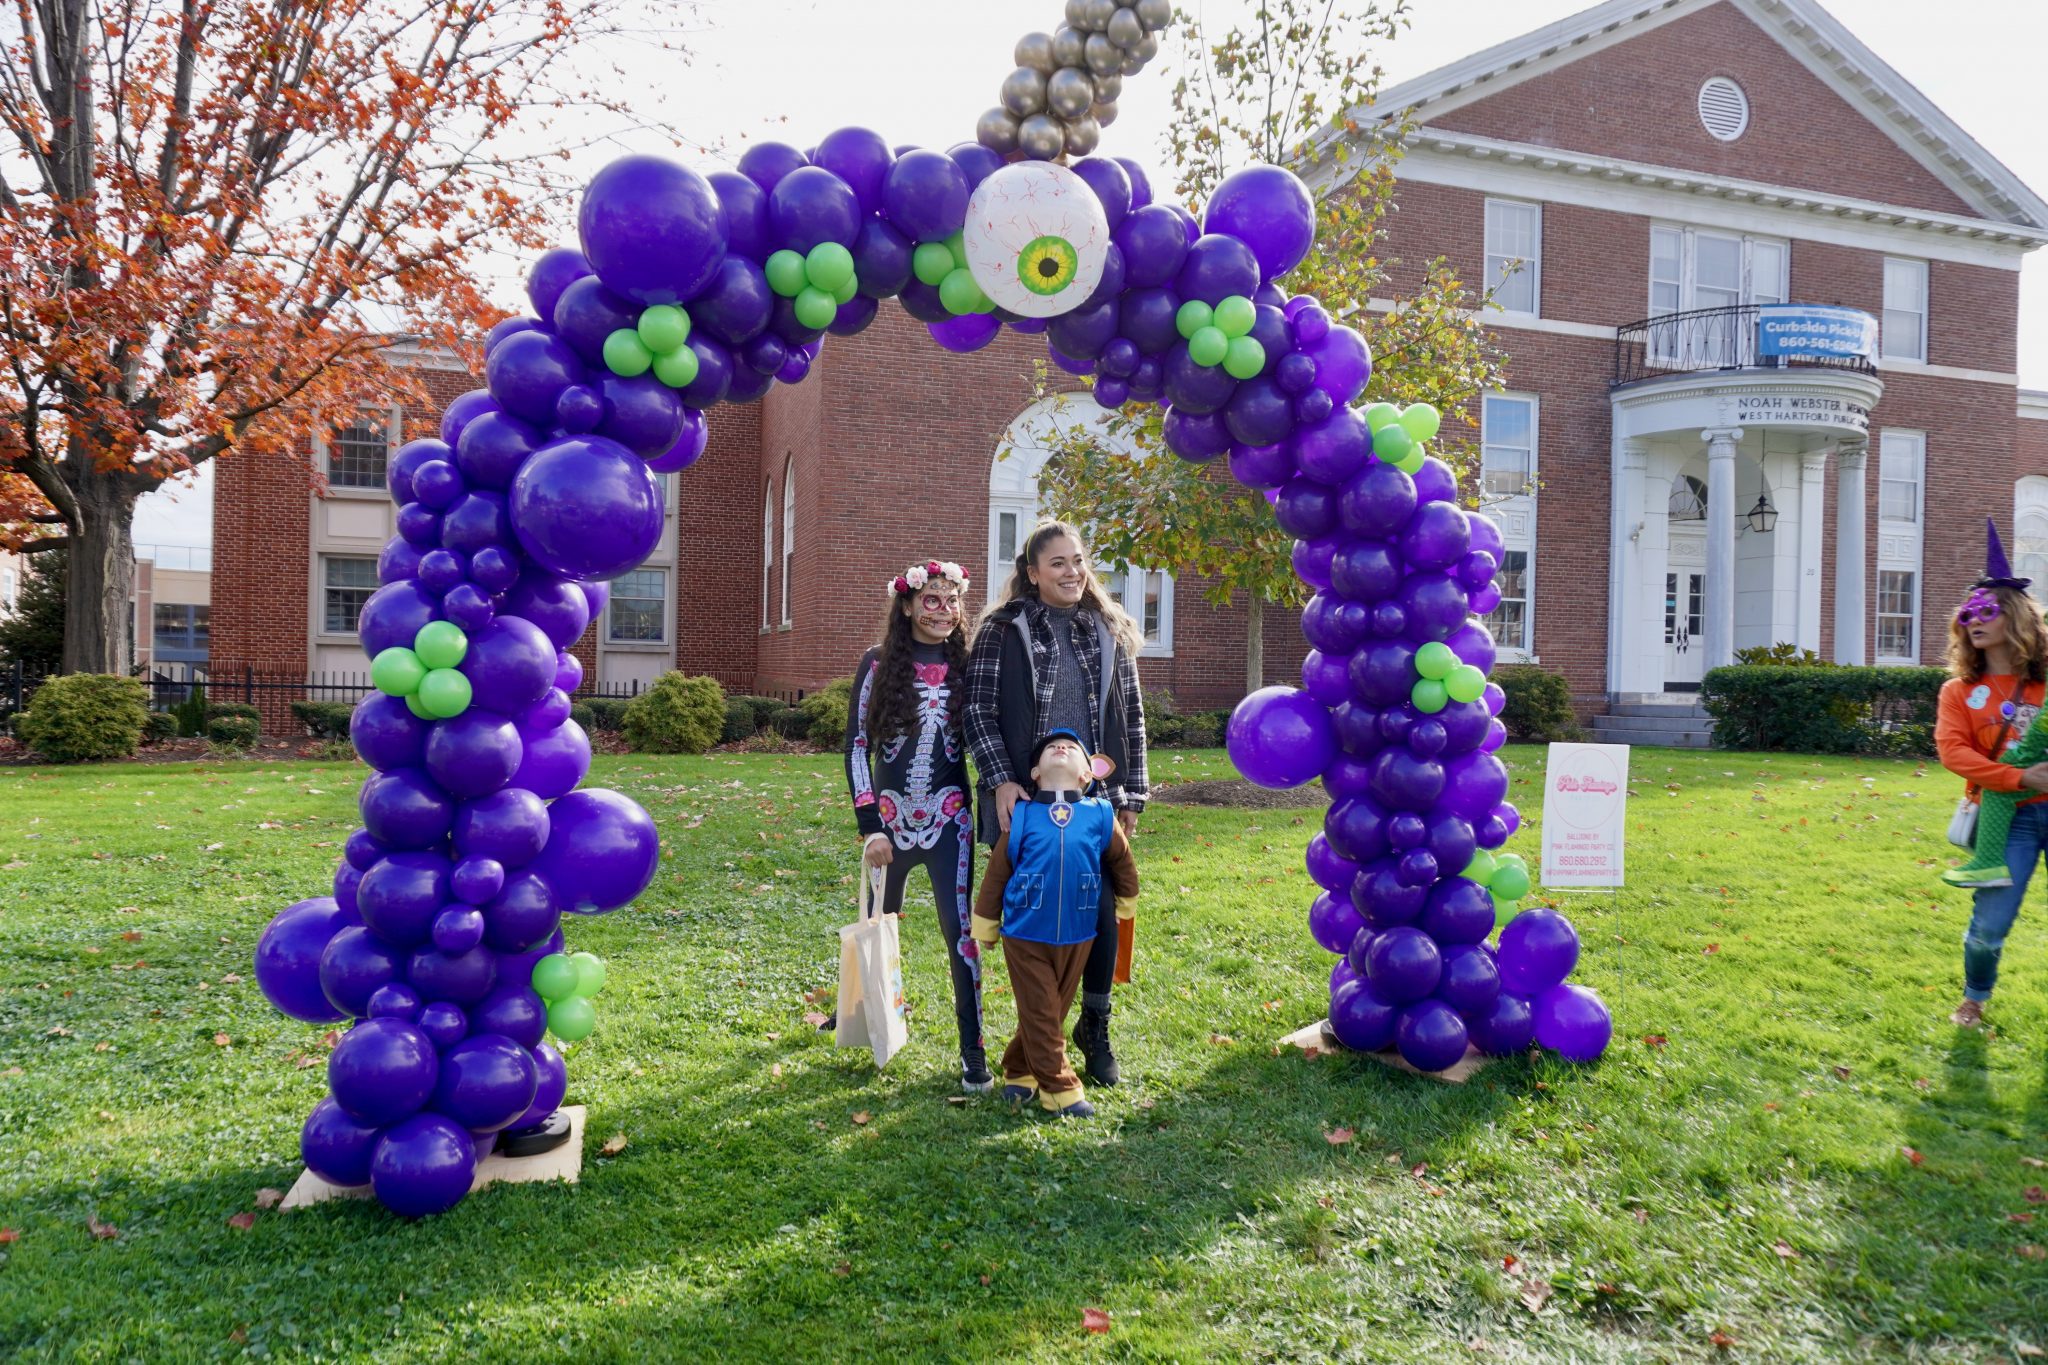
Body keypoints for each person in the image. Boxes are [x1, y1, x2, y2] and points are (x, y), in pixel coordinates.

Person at [965, 519, 1148, 1086]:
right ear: (1032, 573)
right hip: (1026, 803)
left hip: (1093, 797)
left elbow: (1131, 718)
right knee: (1034, 925)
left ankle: (1094, 1025)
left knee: (1096, 913)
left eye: (1078, 561)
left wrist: (1130, 795)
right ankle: (1034, 1050)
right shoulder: (1004, 628)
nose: (1072, 572)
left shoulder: (1107, 628)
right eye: (1058, 564)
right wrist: (1000, 780)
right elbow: (977, 711)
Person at [841, 559, 989, 1092]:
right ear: (907, 605)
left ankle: (973, 1051)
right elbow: (858, 745)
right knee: (876, 924)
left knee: (961, 934)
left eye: (953, 601)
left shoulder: (970, 664)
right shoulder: (879, 664)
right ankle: (858, 1014)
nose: (945, 610)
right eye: (932, 600)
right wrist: (871, 825)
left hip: (951, 819)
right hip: (891, 823)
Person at [970, 730, 1139, 1118]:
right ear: (1035, 771)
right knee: (1043, 1009)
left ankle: (1019, 1067)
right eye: (1050, 748)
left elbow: (1122, 860)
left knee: (1050, 1008)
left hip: (1080, 931)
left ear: (1088, 774)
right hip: (1025, 931)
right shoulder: (1023, 815)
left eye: (1071, 749)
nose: (1060, 749)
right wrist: (986, 922)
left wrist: (1127, 899)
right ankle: (1059, 1088)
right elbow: (998, 871)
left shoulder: (1099, 815)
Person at [1934, 520, 2048, 1027]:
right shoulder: (1957, 692)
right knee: (1989, 925)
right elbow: (1953, 753)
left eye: (1987, 611)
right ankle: (1975, 998)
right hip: (2009, 821)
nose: (1973, 622)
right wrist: (2018, 779)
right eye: (1967, 614)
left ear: (2015, 617)